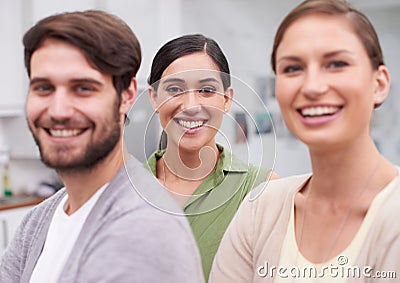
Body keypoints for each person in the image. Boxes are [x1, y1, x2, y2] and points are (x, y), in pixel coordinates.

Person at [0, 10, 205, 283]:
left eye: (83, 88)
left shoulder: (145, 231)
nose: (58, 110)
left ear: (126, 95)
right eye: (44, 88)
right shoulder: (40, 219)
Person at [210, 0, 400, 282]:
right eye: (292, 68)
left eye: (336, 64)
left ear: (379, 83)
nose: (312, 87)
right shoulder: (260, 210)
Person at [146, 34, 279, 280]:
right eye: (174, 89)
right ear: (154, 98)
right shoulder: (119, 189)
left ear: (226, 99)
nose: (191, 105)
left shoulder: (263, 189)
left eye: (207, 90)